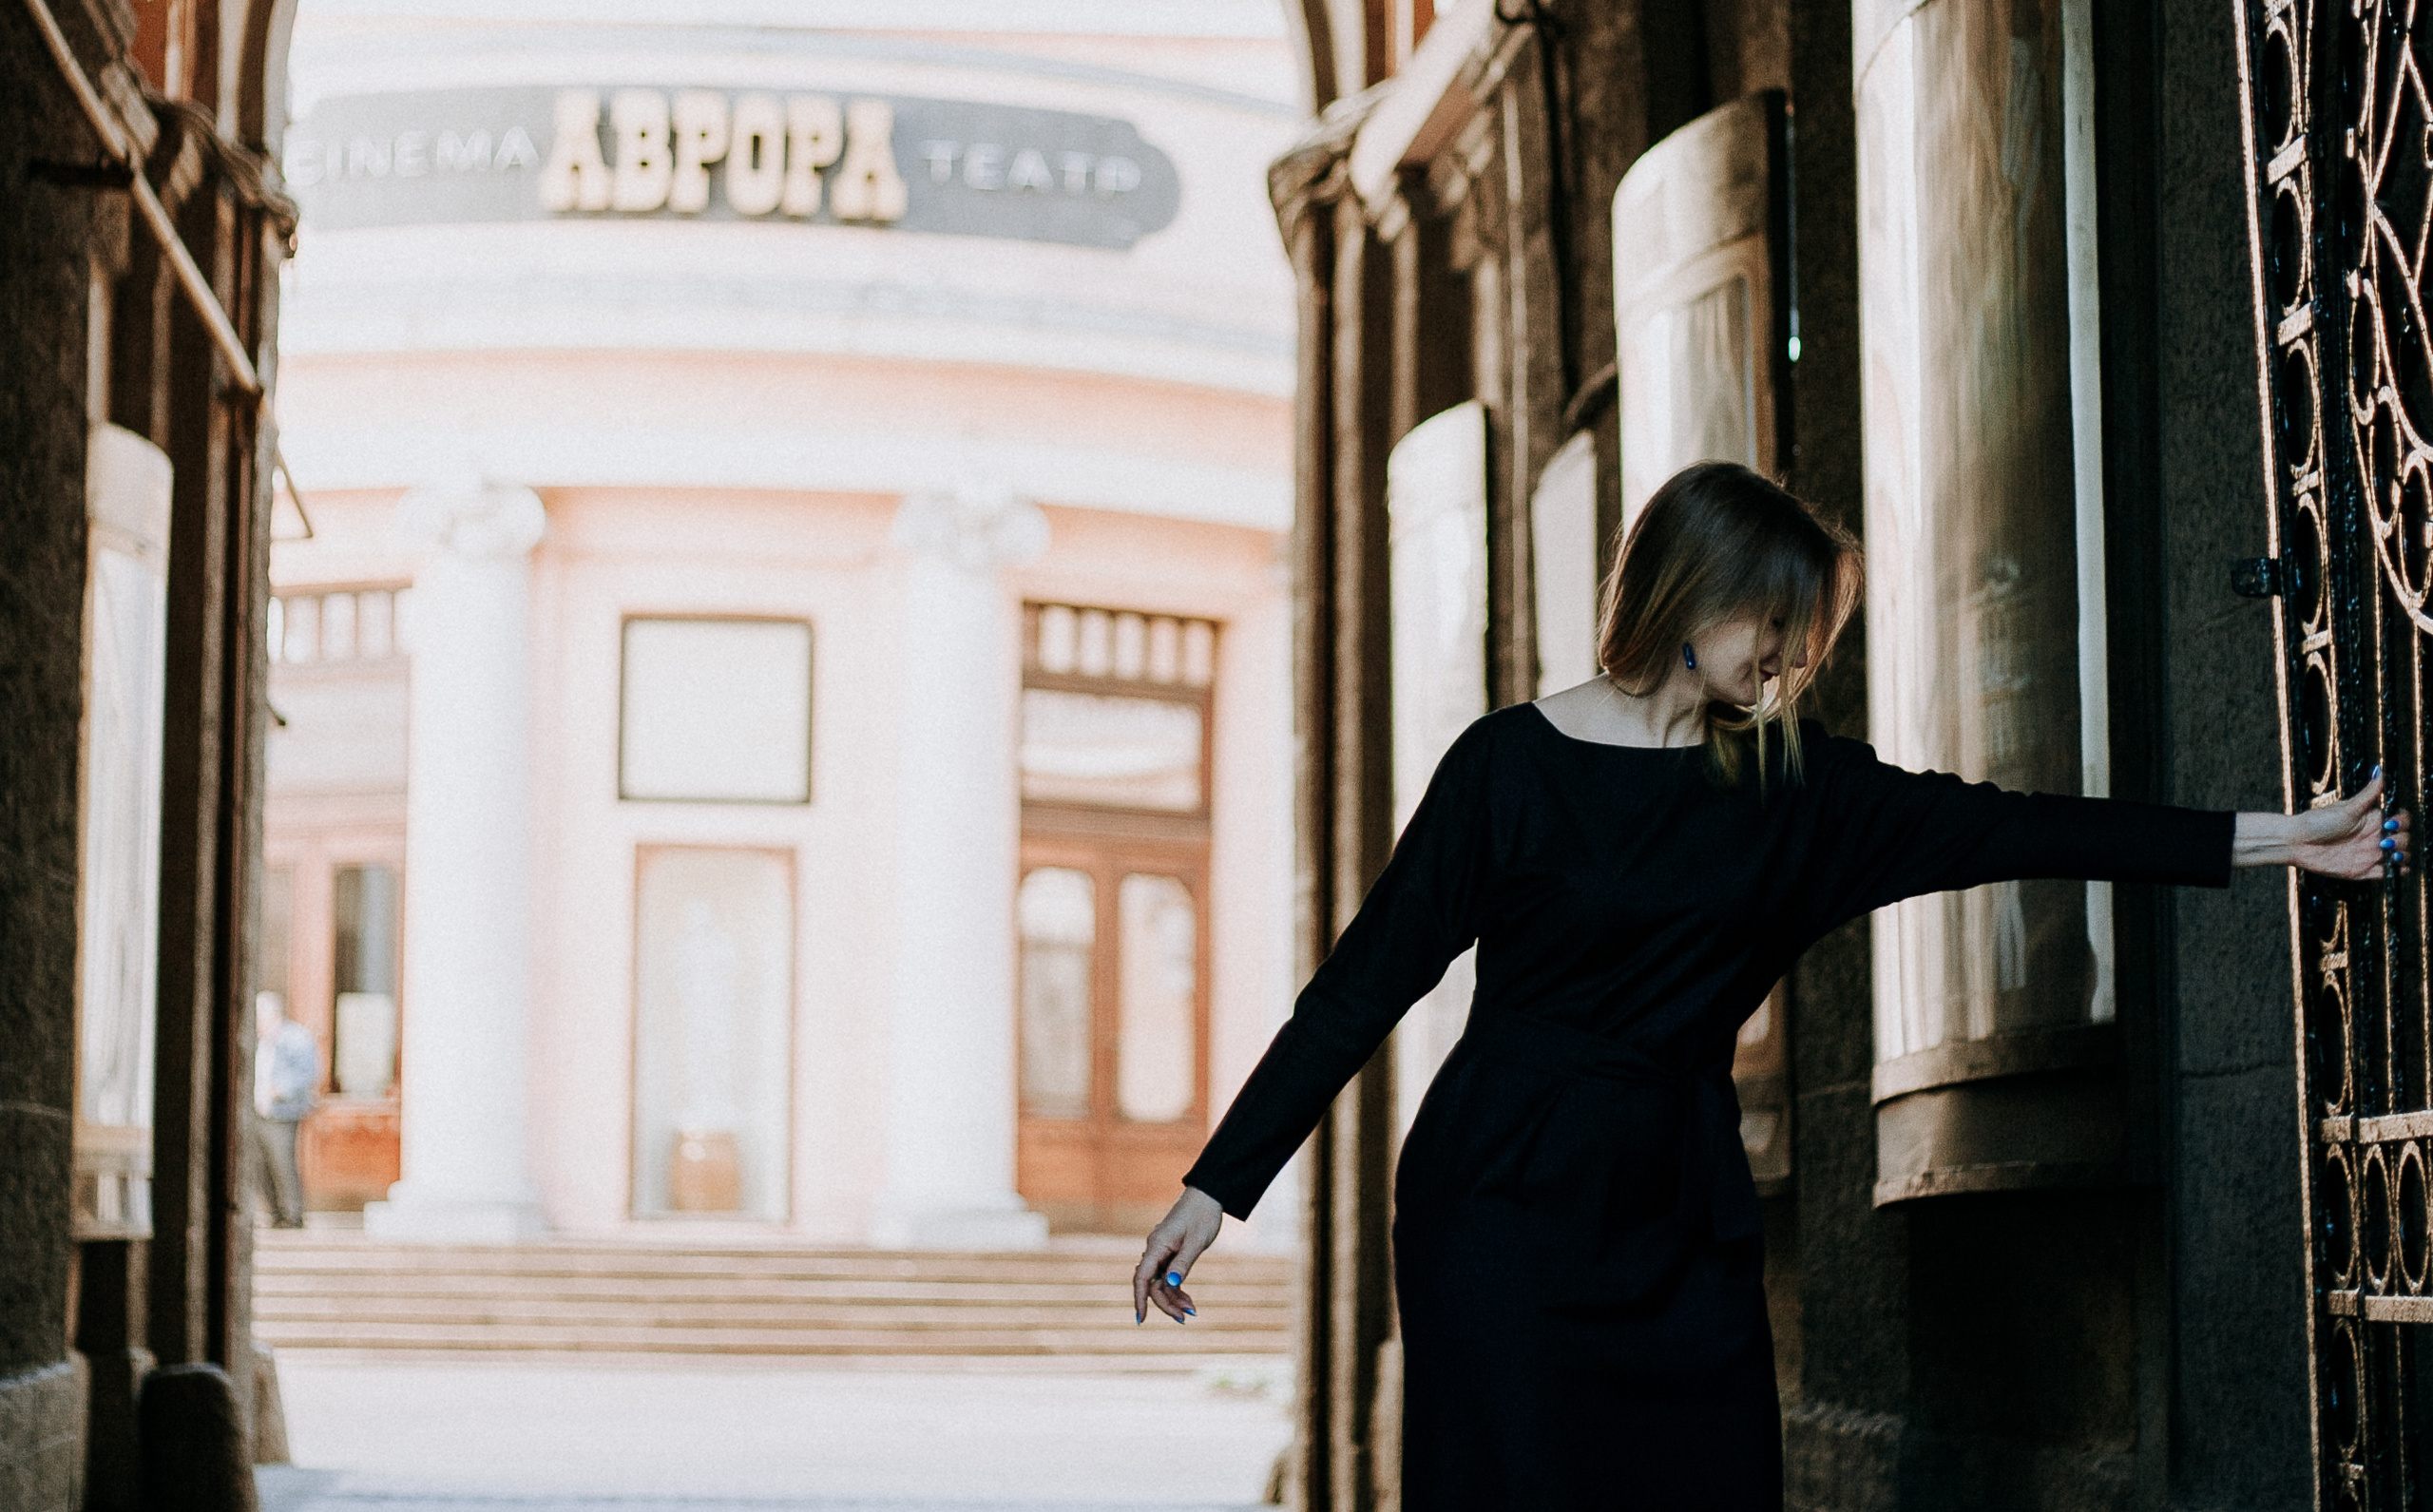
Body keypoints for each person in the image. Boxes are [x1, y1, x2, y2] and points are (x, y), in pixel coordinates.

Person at [1133, 461, 2412, 1510]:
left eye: (1810, 632)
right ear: (1693, 591)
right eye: (1779, 621)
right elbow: (1361, 985)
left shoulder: (1796, 787)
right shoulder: (1504, 769)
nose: (1795, 655)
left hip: (1678, 1211)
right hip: (1498, 1201)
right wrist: (1217, 1182)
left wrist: (2285, 835)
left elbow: (2018, 827)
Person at [254, 990, 320, 1229]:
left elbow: (308, 1074)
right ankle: (275, 1212)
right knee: (259, 1164)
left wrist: (279, 1089)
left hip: (282, 1113)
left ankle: (292, 1213)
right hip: (258, 1111)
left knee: (283, 1162)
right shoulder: (258, 1041)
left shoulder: (297, 1038)